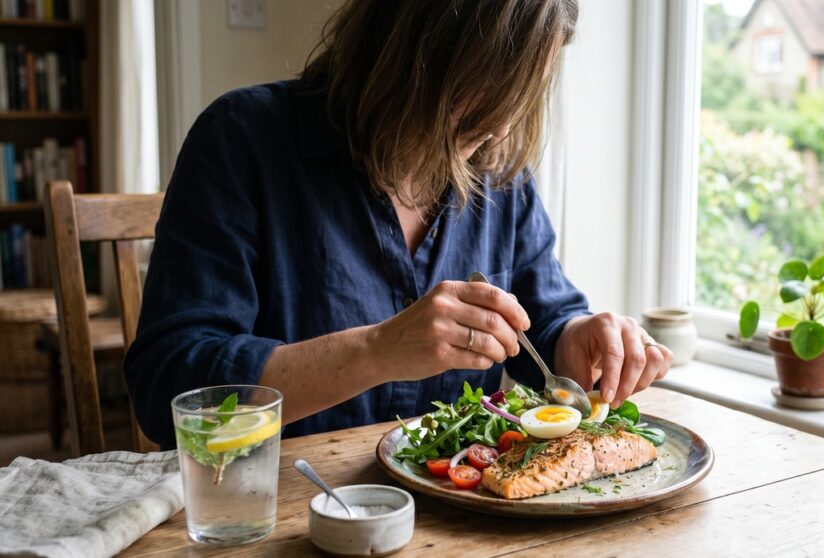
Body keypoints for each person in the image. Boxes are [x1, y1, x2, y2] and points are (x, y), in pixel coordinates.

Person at [124, 0, 672, 448]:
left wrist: (579, 341)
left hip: (458, 519)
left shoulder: (500, 174)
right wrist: (377, 350)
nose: (502, 128)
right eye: (489, 89)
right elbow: (168, 384)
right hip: (282, 507)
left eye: (522, 96)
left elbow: (543, 326)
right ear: (414, 53)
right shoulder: (242, 141)